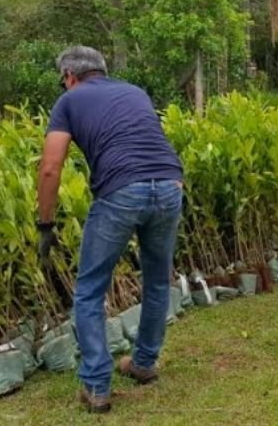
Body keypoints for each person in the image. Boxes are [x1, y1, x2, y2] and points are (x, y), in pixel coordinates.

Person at [36, 46, 185, 414]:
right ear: (102, 71)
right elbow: (145, 142)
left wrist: (45, 224)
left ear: (69, 75)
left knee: (88, 291)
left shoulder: (68, 101)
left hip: (121, 190)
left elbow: (51, 167)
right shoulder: (135, 92)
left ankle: (97, 386)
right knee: (156, 281)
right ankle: (144, 363)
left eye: (63, 79)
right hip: (170, 184)